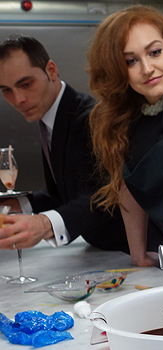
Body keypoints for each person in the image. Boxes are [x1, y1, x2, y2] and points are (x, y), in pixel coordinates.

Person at [86, 5, 163, 269]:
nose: (147, 68)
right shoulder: (124, 114)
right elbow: (127, 187)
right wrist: (138, 255)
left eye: (155, 52)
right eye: (130, 61)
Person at [0, 35, 127, 252]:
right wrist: (15, 205)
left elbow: (103, 197)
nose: (18, 99)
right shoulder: (50, 118)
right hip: (97, 251)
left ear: (51, 70)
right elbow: (62, 193)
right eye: (6, 90)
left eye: (26, 84)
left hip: (125, 249)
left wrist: (43, 224)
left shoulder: (89, 118)